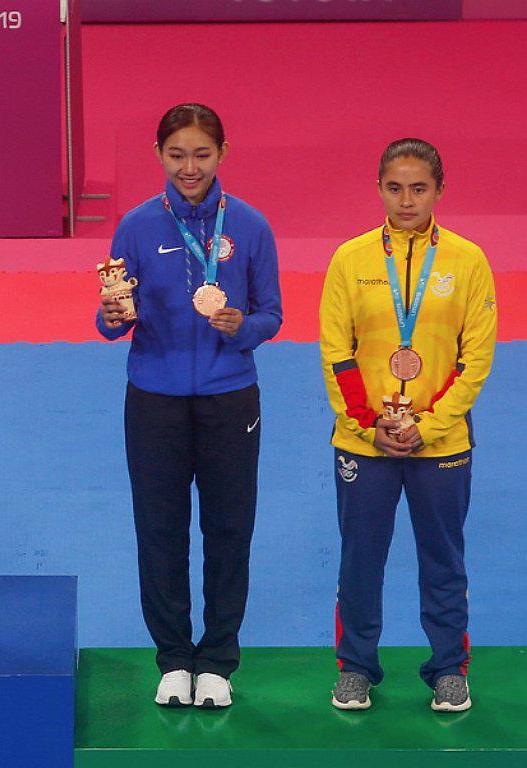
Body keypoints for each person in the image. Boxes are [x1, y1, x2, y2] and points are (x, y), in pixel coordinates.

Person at [96, 103, 282, 708]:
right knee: (160, 531)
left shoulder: (251, 227)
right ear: (159, 156)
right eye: (177, 154)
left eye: (202, 154)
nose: (190, 166)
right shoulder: (135, 226)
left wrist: (242, 326)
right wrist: (110, 318)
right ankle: (174, 658)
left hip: (231, 399)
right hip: (154, 399)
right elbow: (114, 312)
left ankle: (219, 661)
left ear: (222, 154)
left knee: (230, 530)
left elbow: (272, 314)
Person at [320, 139, 495, 713]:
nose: (407, 200)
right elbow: (337, 352)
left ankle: (448, 667)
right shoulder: (351, 258)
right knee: (359, 559)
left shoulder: (468, 260)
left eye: (419, 188)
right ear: (379, 189)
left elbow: (475, 358)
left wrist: (433, 424)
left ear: (440, 190)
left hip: (440, 442)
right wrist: (369, 424)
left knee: (443, 558)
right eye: (395, 188)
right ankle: (356, 667)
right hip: (363, 442)